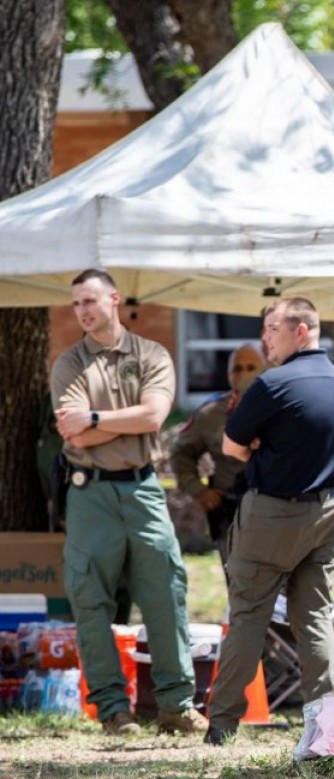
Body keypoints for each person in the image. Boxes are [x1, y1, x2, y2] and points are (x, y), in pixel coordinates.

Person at [50, 269, 205, 737]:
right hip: (89, 491)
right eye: (77, 304)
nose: (83, 311)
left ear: (114, 299)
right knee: (90, 599)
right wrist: (127, 419)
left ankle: (176, 704)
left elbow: (155, 414)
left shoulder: (151, 353)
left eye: (91, 300)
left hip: (143, 489)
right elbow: (72, 430)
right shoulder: (69, 363)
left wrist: (96, 418)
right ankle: (114, 710)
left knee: (166, 589)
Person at [205, 297, 334, 755]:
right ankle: (325, 723)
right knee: (313, 616)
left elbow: (230, 448)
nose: (265, 338)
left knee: (249, 615)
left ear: (302, 331)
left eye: (273, 328)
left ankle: (222, 728)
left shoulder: (271, 385)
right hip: (329, 511)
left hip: (272, 514)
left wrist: (259, 447)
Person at [169, 344, 268, 556]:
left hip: (273, 510)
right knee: (238, 583)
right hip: (230, 512)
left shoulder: (280, 407)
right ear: (228, 374)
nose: (243, 374)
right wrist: (198, 490)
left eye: (251, 367)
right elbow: (181, 453)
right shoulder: (211, 414)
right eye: (237, 368)